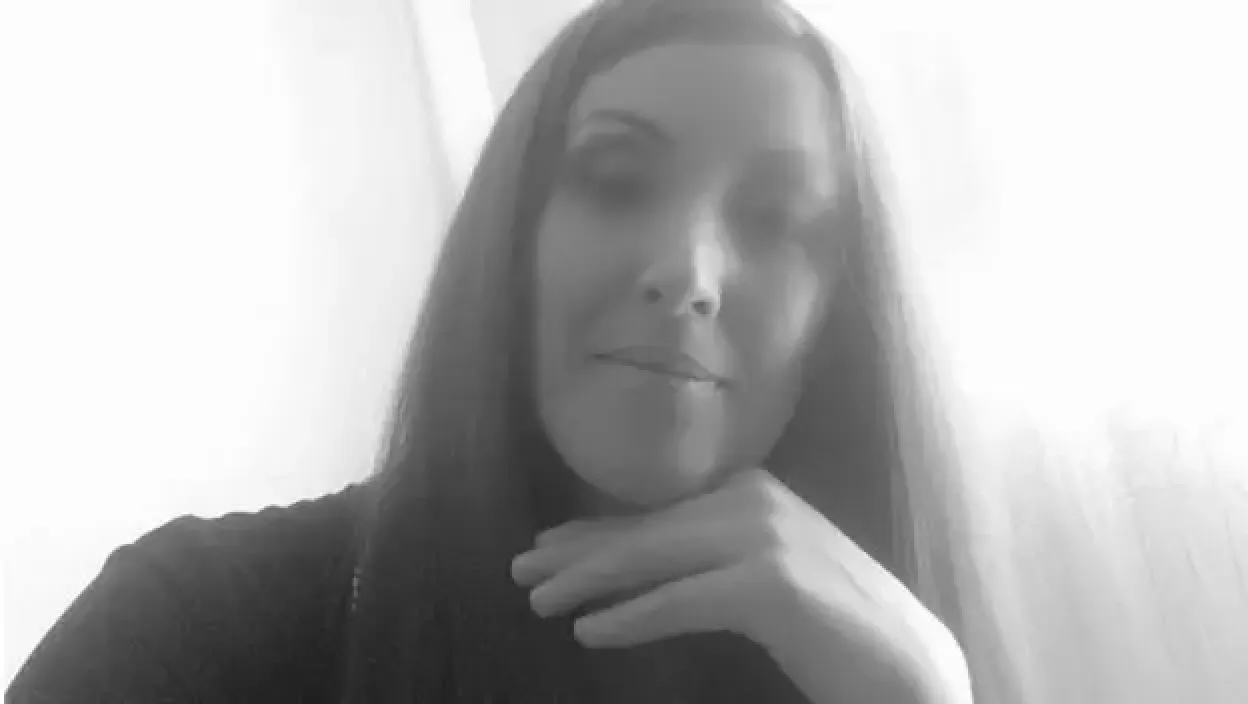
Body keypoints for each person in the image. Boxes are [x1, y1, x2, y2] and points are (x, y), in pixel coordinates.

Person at [7, 0, 979, 701]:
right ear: (510, 235)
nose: (689, 272)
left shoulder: (873, 657)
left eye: (776, 217)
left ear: (840, 319)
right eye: (616, 178)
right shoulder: (191, 625)